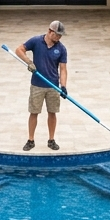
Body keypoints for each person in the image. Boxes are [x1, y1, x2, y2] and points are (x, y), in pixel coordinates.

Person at [16, 20, 68, 151]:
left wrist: (63, 86)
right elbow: (19, 50)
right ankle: (30, 140)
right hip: (37, 85)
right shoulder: (36, 41)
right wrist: (29, 62)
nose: (59, 38)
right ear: (50, 31)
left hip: (53, 86)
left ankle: (51, 140)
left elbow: (63, 69)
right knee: (34, 112)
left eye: (60, 36)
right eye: (57, 35)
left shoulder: (61, 49)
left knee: (52, 113)